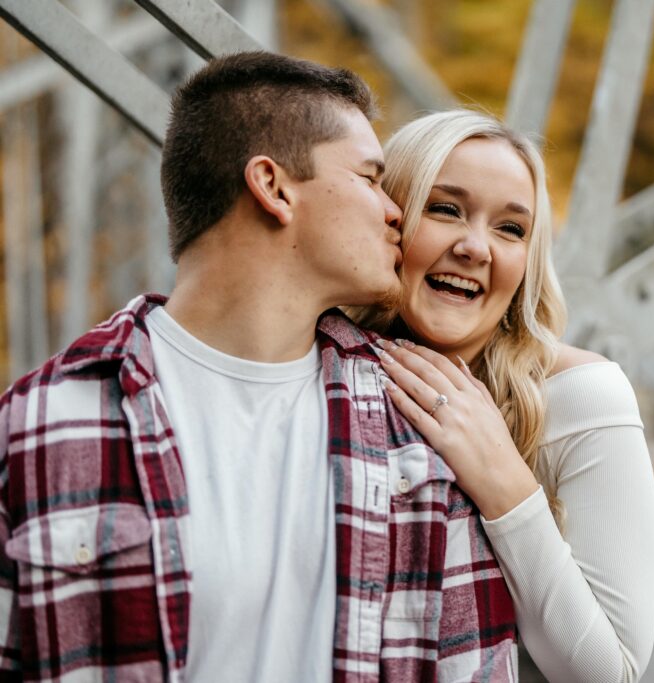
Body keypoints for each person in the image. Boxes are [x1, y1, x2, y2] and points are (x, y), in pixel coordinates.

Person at [0, 54, 517, 682]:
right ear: (273, 187)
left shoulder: (415, 429)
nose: (395, 212)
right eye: (370, 178)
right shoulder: (40, 423)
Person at [352, 110, 654, 683]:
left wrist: (503, 481)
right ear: (390, 217)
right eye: (445, 209)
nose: (476, 247)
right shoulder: (327, 372)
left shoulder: (582, 396)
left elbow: (609, 672)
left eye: (510, 228)